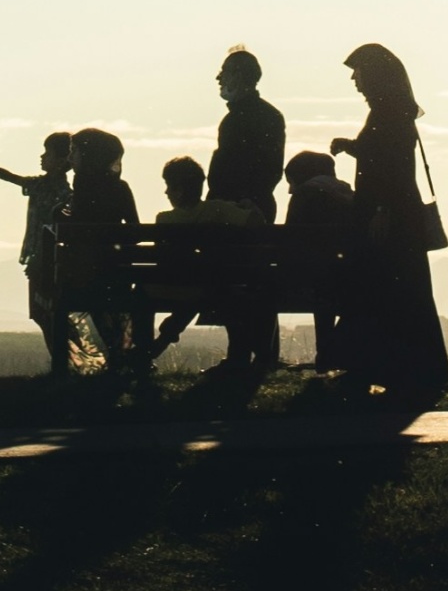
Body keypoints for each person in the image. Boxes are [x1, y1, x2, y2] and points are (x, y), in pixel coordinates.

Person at [329, 43, 448, 407]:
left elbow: (389, 164)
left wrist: (381, 208)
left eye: (358, 71)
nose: (354, 79)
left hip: (388, 216)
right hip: (396, 215)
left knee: (386, 293)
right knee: (399, 294)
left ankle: (382, 369)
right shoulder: (394, 109)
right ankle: (406, 371)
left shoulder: (388, 111)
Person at [207, 48, 285, 372]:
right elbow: (272, 169)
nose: (218, 78)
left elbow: (229, 168)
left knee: (235, 280)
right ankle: (262, 354)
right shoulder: (270, 115)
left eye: (224, 71)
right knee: (257, 280)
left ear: (240, 76)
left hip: (234, 210)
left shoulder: (236, 119)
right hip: (258, 206)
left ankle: (241, 353)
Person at [0, 133, 72, 363]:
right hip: (47, 259)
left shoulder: (49, 189)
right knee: (46, 312)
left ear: (62, 159)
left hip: (42, 260)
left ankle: (62, 360)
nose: (42, 157)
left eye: (48, 153)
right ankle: (64, 359)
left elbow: (12, 178)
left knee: (42, 311)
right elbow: (12, 177)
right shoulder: (57, 189)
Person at [148, 155, 261, 360]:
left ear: (179, 191)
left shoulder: (164, 219)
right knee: (206, 288)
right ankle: (169, 333)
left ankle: (146, 348)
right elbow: (257, 223)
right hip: (212, 286)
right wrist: (249, 207)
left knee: (158, 292)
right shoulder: (218, 209)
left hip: (171, 286)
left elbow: (162, 259)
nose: (166, 192)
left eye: (168, 186)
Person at [62, 127, 139, 367]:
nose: (70, 156)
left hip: (84, 275)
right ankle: (123, 355)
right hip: (118, 272)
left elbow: (75, 229)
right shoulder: (121, 187)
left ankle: (98, 360)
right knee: (111, 302)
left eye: (74, 151)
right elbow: (135, 231)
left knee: (93, 298)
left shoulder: (82, 189)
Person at [282, 149, 361, 372]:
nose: (290, 190)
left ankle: (327, 354)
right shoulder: (351, 196)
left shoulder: (305, 195)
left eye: (291, 182)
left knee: (322, 287)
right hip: (354, 277)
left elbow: (289, 241)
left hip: (309, 279)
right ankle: (331, 355)